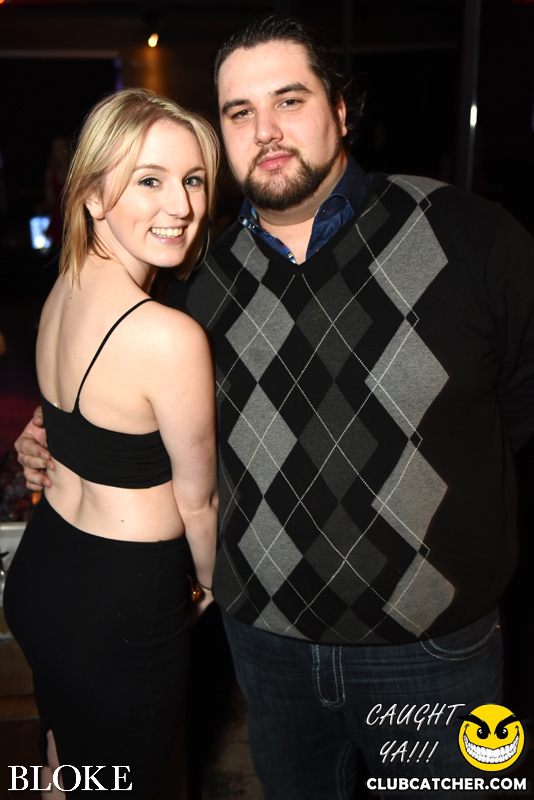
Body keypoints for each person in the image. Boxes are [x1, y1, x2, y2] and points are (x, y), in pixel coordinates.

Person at [16, 15, 534, 800]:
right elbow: (115, 391)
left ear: (341, 110)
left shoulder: (472, 239)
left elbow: (518, 408)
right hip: (266, 647)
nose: (265, 130)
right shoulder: (191, 279)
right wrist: (50, 436)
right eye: (239, 112)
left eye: (289, 100)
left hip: (430, 656)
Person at [6, 88, 219, 798]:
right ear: (94, 195)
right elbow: (198, 502)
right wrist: (210, 585)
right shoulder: (167, 336)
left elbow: (65, 424)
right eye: (149, 180)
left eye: (193, 179)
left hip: (45, 575)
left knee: (62, 771)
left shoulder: (63, 285)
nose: (181, 205)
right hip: (120, 610)